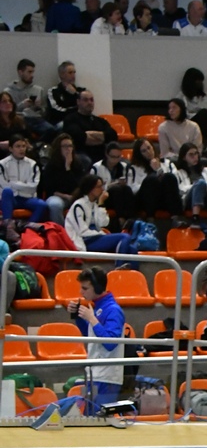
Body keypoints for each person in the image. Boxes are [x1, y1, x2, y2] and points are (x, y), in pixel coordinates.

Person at [66, 267, 125, 408]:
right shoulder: (97, 307)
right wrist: (79, 317)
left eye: (85, 288)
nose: (81, 292)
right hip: (95, 373)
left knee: (100, 418)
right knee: (90, 418)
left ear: (97, 288)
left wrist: (92, 319)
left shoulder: (113, 310)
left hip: (107, 377)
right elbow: (91, 335)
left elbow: (110, 343)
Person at [63, 174, 137, 262]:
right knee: (125, 237)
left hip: (96, 238)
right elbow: (82, 232)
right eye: (99, 187)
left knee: (132, 249)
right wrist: (101, 234)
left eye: (102, 186)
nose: (102, 189)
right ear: (90, 189)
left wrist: (101, 203)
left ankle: (127, 270)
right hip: (85, 241)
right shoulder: (78, 205)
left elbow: (103, 223)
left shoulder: (95, 204)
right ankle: (119, 266)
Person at [168, 142, 207, 224]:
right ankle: (195, 218)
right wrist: (197, 186)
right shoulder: (178, 172)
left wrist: (205, 187)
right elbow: (180, 190)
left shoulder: (206, 170)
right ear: (184, 157)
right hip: (190, 199)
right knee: (200, 183)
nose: (195, 157)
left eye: (196, 154)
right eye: (191, 155)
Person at [38, 133, 91, 224]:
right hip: (57, 197)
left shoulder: (78, 164)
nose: (68, 149)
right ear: (58, 148)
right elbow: (50, 189)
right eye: (65, 146)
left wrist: (68, 168)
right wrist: (65, 196)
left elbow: (79, 184)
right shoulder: (51, 166)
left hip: (74, 196)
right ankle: (60, 230)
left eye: (70, 146)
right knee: (55, 205)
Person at [3, 58, 57, 142]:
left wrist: (38, 107)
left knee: (52, 130)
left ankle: (37, 146)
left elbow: (45, 112)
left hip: (36, 119)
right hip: (19, 119)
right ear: (20, 72)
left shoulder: (38, 90)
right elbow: (7, 112)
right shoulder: (9, 92)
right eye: (29, 72)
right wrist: (22, 105)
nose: (32, 75)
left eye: (33, 72)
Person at [126, 138, 182, 217]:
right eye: (144, 151)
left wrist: (158, 170)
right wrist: (146, 184)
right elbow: (131, 189)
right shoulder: (134, 168)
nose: (148, 152)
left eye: (149, 148)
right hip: (145, 199)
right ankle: (150, 218)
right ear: (139, 154)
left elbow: (176, 182)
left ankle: (176, 217)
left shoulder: (167, 163)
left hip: (165, 197)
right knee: (151, 179)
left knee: (168, 177)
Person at [91, 141, 139, 226]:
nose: (115, 160)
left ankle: (132, 220)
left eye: (118, 157)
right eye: (113, 157)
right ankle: (121, 219)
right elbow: (91, 188)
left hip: (121, 196)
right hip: (103, 197)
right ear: (106, 154)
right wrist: (109, 186)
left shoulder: (125, 166)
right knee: (116, 189)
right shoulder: (96, 168)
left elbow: (131, 185)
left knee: (126, 189)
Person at [0, 134, 46, 223]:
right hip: (9, 198)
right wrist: (24, 185)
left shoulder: (33, 164)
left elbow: (33, 187)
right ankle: (8, 225)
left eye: (23, 146)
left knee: (42, 205)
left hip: (27, 198)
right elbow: (4, 186)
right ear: (10, 149)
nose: (21, 149)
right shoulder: (2, 164)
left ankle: (27, 227)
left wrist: (12, 183)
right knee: (7, 191)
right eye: (18, 146)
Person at [62, 91, 118, 155]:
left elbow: (113, 136)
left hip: (101, 154)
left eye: (91, 100)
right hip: (80, 154)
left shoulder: (100, 120)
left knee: (122, 160)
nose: (89, 103)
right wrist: (102, 138)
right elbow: (78, 138)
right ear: (78, 102)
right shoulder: (70, 119)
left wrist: (88, 134)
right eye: (85, 100)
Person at [179, 68, 207, 139]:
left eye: (201, 80)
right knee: (203, 112)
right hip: (191, 122)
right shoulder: (182, 96)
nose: (200, 83)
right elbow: (184, 115)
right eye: (197, 80)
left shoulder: (206, 96)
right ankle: (204, 139)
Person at [46, 61, 84, 125]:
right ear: (61, 74)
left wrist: (75, 94)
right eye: (70, 72)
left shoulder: (80, 91)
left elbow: (85, 107)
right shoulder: (53, 91)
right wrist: (75, 110)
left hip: (78, 121)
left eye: (74, 72)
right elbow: (55, 111)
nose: (73, 75)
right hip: (61, 121)